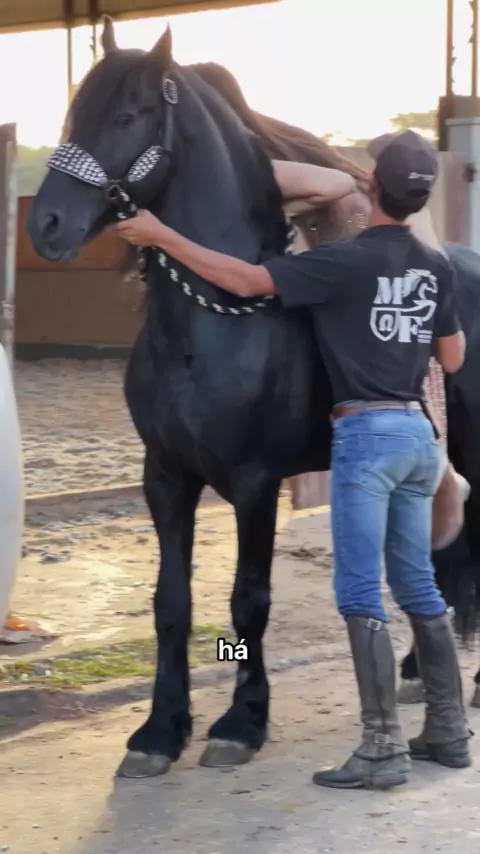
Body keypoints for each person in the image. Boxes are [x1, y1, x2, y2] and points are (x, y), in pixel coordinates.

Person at [116, 131, 471, 790]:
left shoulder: (343, 263)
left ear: (371, 186)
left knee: (358, 594)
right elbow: (451, 358)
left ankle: (381, 747)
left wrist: (162, 236)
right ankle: (448, 731)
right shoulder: (435, 265)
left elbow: (246, 279)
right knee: (418, 587)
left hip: (365, 440)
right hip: (416, 439)